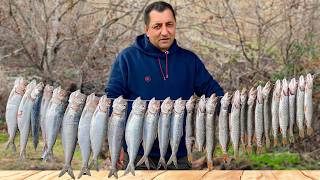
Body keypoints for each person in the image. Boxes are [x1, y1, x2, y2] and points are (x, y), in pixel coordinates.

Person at [105, 1, 224, 170]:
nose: (165, 32)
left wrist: (240, 107)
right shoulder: (127, 59)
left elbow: (214, 94)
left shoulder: (189, 60)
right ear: (147, 29)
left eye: (169, 25)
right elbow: (112, 103)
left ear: (175, 25)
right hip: (136, 153)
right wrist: (114, 144)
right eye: (157, 26)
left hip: (179, 155)